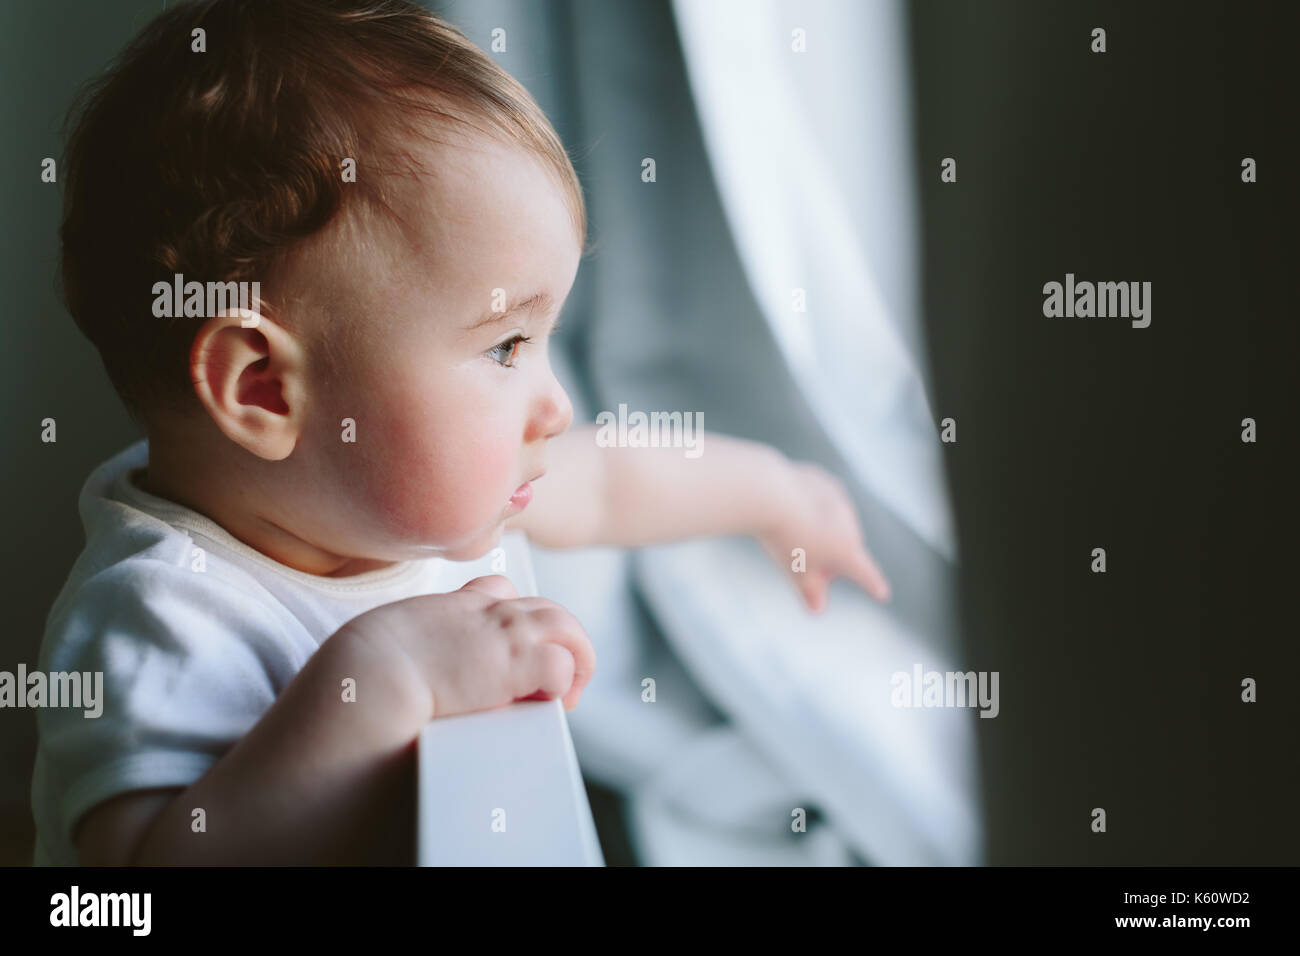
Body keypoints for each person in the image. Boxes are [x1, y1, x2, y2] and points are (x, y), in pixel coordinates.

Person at [33, 0, 889, 866]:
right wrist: (383, 680)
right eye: (505, 345)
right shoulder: (161, 616)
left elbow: (615, 482)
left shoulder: (406, 497)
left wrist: (779, 490)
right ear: (263, 388)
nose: (553, 404)